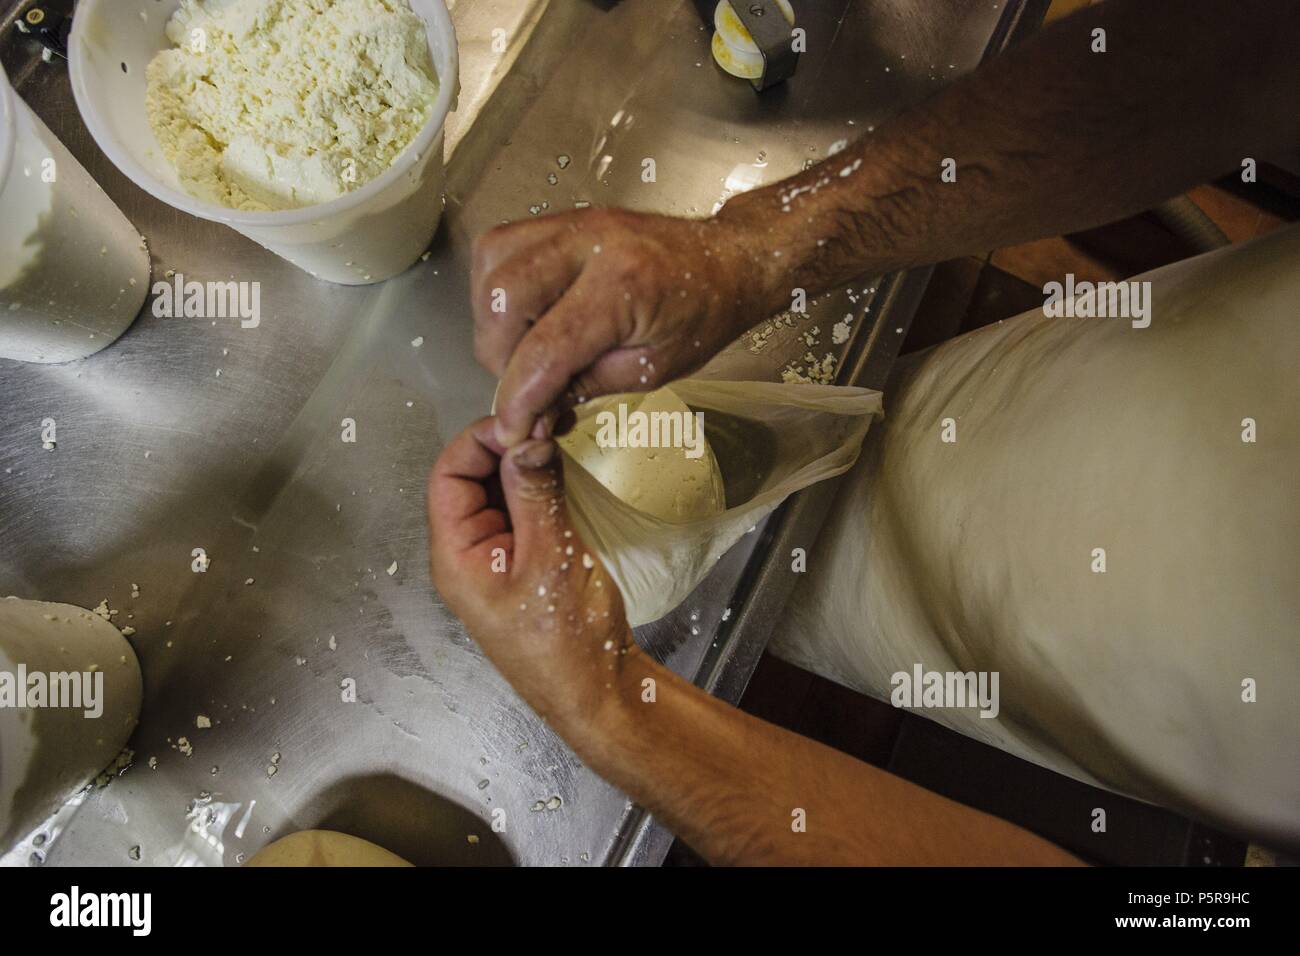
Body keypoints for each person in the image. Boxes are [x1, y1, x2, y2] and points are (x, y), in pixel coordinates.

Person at [426, 0, 1300, 864]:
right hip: (1136, 375)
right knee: (885, 489)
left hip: (1199, 688)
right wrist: (754, 248)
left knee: (850, 592)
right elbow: (1250, 50)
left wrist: (604, 701)